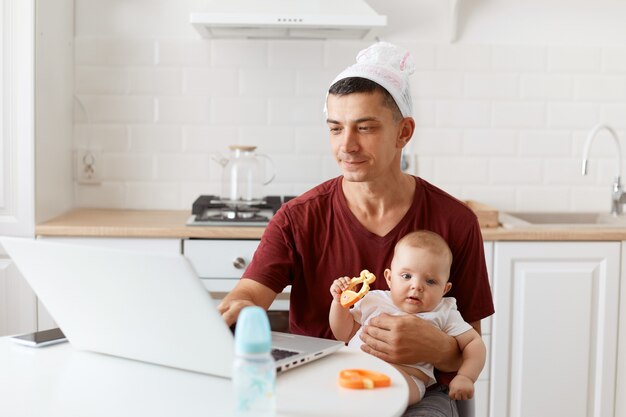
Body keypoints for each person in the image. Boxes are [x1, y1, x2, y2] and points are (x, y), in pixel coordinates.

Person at [218, 41, 494, 417]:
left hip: (419, 391)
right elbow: (249, 294)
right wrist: (237, 308)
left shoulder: (455, 221)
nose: (346, 145)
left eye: (364, 128)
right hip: (318, 386)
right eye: (335, 129)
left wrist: (434, 348)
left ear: (404, 133)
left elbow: (468, 343)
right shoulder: (297, 217)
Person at [329, 230, 487, 406]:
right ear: (389, 278)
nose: (416, 286)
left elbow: (474, 343)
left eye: (431, 281)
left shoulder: (444, 311)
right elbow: (343, 333)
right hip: (353, 371)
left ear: (445, 289)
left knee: (383, 398)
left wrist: (465, 376)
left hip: (404, 378)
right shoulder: (374, 300)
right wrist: (339, 303)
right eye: (406, 276)